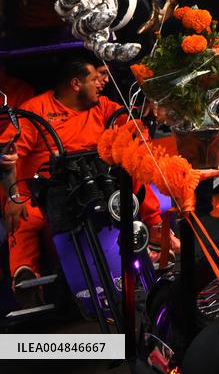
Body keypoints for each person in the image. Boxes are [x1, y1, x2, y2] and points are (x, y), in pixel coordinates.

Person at [0, 54, 166, 301]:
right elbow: (6, 153)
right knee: (21, 215)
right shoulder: (35, 110)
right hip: (49, 194)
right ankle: (26, 278)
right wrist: (13, 196)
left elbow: (134, 124)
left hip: (101, 186)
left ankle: (156, 231)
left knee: (134, 168)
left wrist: (152, 106)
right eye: (96, 77)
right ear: (76, 83)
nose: (103, 82)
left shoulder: (104, 106)